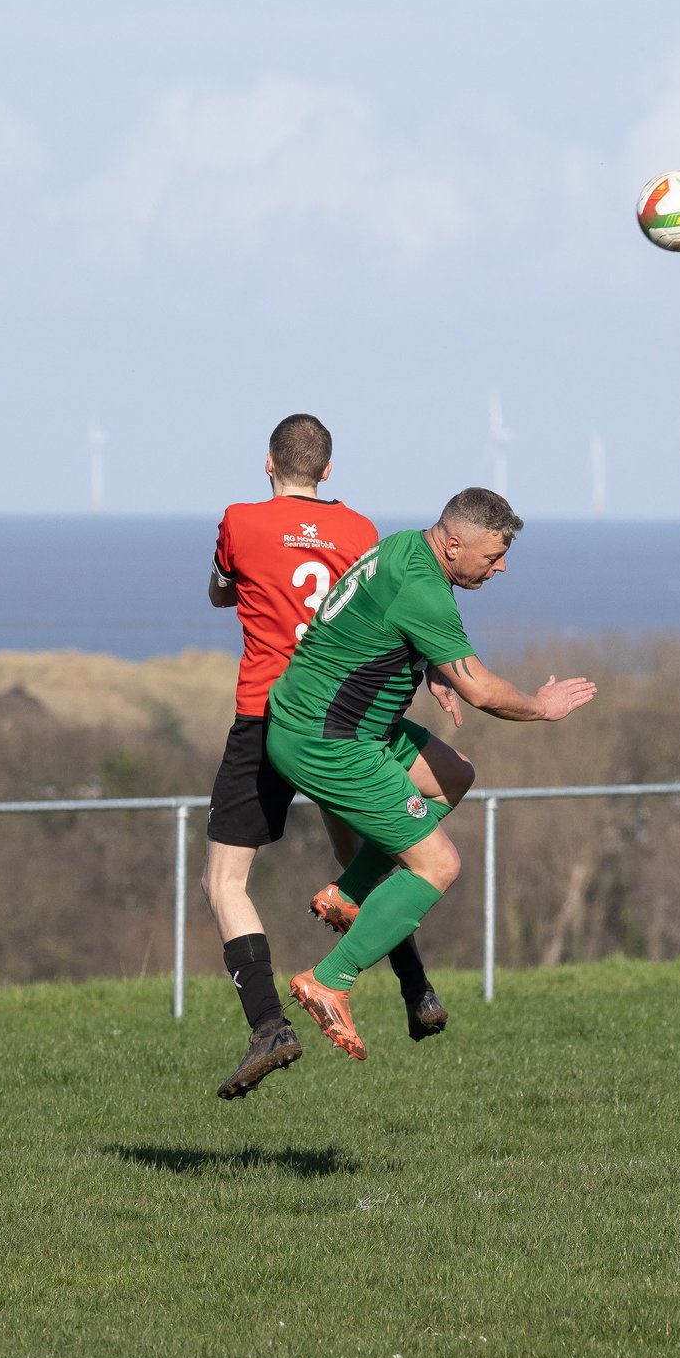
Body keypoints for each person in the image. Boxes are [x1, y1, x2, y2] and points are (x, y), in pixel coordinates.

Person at [268, 486, 596, 1057]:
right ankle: (329, 981)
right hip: (329, 740)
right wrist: (543, 707)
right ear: (452, 543)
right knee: (439, 865)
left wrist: (427, 667)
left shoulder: (402, 550)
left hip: (350, 725)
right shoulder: (425, 590)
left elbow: (374, 627)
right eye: (492, 557)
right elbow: (483, 690)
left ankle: (349, 893)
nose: (501, 568)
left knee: (454, 774)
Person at [206, 413, 465, 1100]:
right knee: (378, 858)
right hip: (346, 716)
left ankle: (268, 1025)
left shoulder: (240, 520)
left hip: (269, 715)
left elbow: (220, 588)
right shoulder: (361, 533)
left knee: (226, 882)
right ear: (329, 471)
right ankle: (416, 988)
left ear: (269, 463)